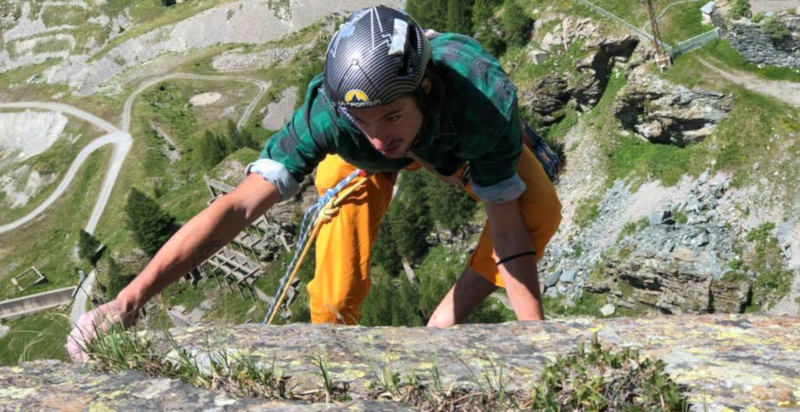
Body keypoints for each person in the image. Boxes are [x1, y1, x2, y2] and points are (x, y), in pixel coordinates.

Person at [67, 5, 562, 362]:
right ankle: (334, 355)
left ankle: (441, 324)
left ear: (426, 88)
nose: (379, 135)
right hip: (362, 162)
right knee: (334, 289)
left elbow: (508, 231)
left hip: (453, 144)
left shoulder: (484, 103)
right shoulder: (329, 115)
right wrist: (128, 300)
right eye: (363, 121)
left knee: (541, 212)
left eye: (391, 115)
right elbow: (238, 207)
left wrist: (537, 348)